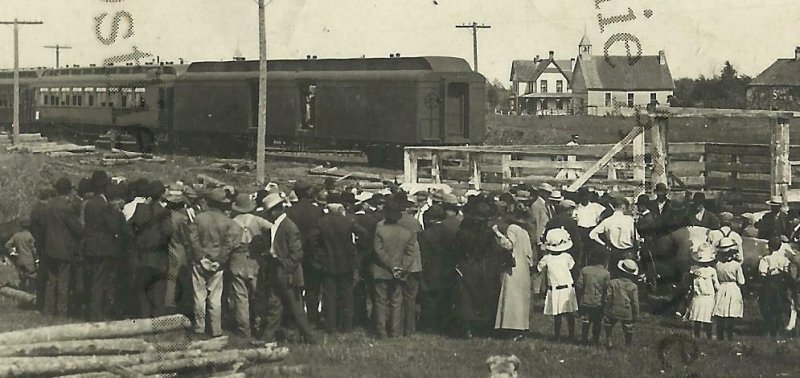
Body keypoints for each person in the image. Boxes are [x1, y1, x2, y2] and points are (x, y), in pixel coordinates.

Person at [257, 193, 318, 344]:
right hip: (277, 270)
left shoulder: (289, 226)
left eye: (270, 212)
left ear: (277, 210)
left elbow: (297, 253)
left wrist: (286, 268)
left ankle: (310, 338)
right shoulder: (276, 226)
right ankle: (267, 338)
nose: (268, 215)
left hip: (286, 272)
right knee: (274, 305)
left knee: (296, 308)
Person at [311, 195, 367, 334]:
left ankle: (330, 326)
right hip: (346, 263)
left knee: (329, 296)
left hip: (328, 263)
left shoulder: (322, 222)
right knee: (347, 295)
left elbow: (312, 239)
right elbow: (364, 233)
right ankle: (346, 326)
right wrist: (355, 249)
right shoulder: (348, 221)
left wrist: (319, 252)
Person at [454, 200, 510, 338]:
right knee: (485, 297)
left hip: (467, 266)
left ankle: (468, 328)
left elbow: (457, 249)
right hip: (485, 267)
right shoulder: (489, 233)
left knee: (467, 298)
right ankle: (484, 327)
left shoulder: (463, 232)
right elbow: (496, 250)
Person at [82, 170, 126, 321]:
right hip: (103, 247)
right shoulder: (103, 204)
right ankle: (97, 313)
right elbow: (113, 226)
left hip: (92, 246)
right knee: (101, 281)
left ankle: (95, 311)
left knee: (95, 279)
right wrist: (117, 213)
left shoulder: (89, 204)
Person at [229, 193, 272, 338]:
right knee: (258, 295)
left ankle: (244, 330)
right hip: (255, 259)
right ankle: (259, 326)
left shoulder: (232, 222)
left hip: (237, 259)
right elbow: (273, 228)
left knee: (240, 297)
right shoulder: (258, 220)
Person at [372, 201, 417, 338]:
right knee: (396, 302)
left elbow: (378, 251)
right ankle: (395, 331)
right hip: (399, 272)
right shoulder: (407, 233)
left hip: (381, 270)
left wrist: (392, 266)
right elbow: (410, 254)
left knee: (380, 301)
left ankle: (381, 331)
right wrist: (402, 268)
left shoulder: (379, 230)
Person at [129, 181, 173, 318]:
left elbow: (128, 228)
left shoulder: (139, 209)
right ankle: (157, 324)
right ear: (161, 195)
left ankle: (144, 322)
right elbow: (168, 232)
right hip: (159, 258)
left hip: (141, 257)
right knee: (158, 293)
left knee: (143, 293)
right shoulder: (165, 212)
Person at [285, 180, 324, 329]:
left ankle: (295, 319)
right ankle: (313, 320)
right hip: (312, 255)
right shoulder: (317, 211)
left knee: (295, 289)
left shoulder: (290, 211)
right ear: (309, 192)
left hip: (295, 254)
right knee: (313, 289)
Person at [41, 177, 82, 317]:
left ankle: (47, 311)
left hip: (50, 248)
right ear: (68, 191)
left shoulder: (49, 205)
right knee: (63, 282)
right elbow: (77, 229)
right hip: (64, 249)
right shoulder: (66, 208)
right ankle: (61, 312)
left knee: (50, 282)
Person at [494, 207, 534, 339]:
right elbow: (529, 254)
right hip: (524, 268)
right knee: (521, 299)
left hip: (514, 268)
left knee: (511, 297)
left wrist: (497, 234)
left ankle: (510, 328)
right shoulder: (525, 232)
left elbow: (508, 245)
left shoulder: (512, 229)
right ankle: (520, 328)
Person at [537, 227, 579, 342]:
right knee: (566, 314)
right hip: (561, 288)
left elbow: (538, 268)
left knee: (560, 315)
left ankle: (561, 336)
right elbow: (571, 267)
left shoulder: (547, 258)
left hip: (560, 288)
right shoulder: (566, 257)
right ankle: (566, 335)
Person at [418, 205, 454, 333]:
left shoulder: (425, 235)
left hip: (430, 270)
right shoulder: (450, 232)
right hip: (446, 270)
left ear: (430, 219)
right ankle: (443, 325)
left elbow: (423, 255)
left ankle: (429, 326)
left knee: (429, 301)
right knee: (444, 300)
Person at [589, 197, 637, 268]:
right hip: (628, 252)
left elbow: (592, 234)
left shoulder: (607, 221)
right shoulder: (629, 220)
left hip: (613, 251)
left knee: (614, 273)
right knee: (628, 273)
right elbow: (634, 237)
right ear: (623, 207)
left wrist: (604, 244)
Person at [758, 237, 791, 339]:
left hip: (770, 282)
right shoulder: (784, 258)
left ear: (769, 247)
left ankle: (769, 329)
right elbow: (787, 271)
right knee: (779, 305)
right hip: (781, 283)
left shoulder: (766, 258)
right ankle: (778, 329)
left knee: (767, 305)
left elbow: (762, 273)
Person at [713, 237, 745, 341]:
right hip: (733, 288)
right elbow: (741, 281)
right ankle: (730, 337)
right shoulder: (736, 265)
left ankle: (720, 337)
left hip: (721, 288)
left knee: (720, 313)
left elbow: (715, 279)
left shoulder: (717, 265)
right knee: (731, 313)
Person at [685, 243, 719, 339]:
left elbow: (688, 282)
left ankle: (696, 335)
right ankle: (709, 335)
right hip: (708, 297)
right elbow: (716, 285)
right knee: (707, 318)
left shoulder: (693, 270)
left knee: (697, 318)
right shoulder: (712, 271)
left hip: (697, 297)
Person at [603, 259, 640, 348]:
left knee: (608, 323)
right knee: (628, 327)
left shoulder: (613, 282)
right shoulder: (633, 286)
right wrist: (636, 314)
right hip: (627, 311)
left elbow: (608, 298)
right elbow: (635, 302)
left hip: (613, 309)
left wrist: (605, 309)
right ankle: (628, 344)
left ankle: (609, 339)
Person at [576, 252, 610, 346]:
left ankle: (584, 340)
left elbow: (579, 285)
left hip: (585, 301)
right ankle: (595, 341)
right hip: (598, 302)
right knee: (597, 323)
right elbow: (606, 288)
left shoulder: (585, 270)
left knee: (585, 322)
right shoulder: (605, 273)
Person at [544, 199, 582, 273]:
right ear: (569, 210)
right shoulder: (571, 222)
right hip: (568, 254)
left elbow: (546, 236)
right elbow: (576, 241)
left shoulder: (552, 221)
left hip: (552, 254)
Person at [574, 187, 607, 267]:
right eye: (582, 196)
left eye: (586, 195)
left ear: (589, 196)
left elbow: (607, 211)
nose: (584, 198)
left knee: (592, 253)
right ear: (579, 197)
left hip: (592, 231)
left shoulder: (595, 206)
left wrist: (601, 218)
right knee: (581, 253)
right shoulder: (576, 208)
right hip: (581, 231)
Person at [4, 219, 37, 292]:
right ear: (28, 226)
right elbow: (33, 249)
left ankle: (22, 292)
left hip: (19, 260)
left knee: (22, 277)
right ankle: (30, 295)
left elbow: (7, 245)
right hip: (29, 261)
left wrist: (12, 252)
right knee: (32, 277)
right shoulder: (30, 236)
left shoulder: (16, 235)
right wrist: (36, 258)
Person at [635, 195, 659, 291]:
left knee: (647, 267)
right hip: (646, 244)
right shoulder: (646, 217)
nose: (637, 207)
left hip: (646, 245)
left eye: (639, 205)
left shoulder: (647, 219)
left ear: (643, 206)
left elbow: (641, 231)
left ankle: (650, 287)